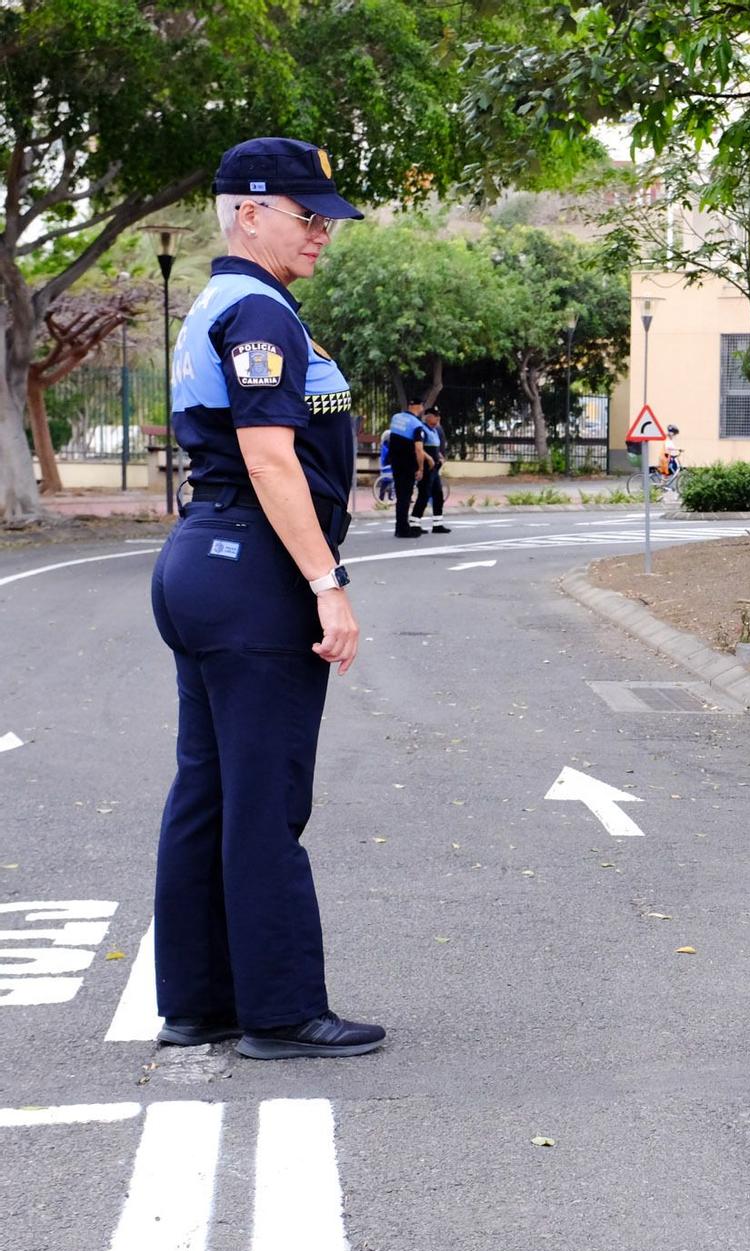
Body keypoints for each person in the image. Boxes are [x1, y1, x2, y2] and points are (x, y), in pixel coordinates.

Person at [151, 137, 385, 1059]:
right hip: (252, 573)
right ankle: (281, 1012)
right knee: (265, 798)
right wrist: (327, 585)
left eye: (326, 215)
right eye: (306, 213)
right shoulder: (257, 311)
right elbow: (268, 455)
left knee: (209, 790)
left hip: (204, 561)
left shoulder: (224, 301)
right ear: (249, 211)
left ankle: (200, 1003)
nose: (323, 230)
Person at [379, 396, 429, 539]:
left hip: (396, 463)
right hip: (408, 465)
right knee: (405, 497)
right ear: (418, 406)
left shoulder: (396, 418)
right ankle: (402, 529)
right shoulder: (416, 425)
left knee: (401, 496)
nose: (422, 409)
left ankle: (399, 527)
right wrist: (421, 468)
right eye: (422, 406)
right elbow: (419, 450)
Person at [409, 407, 450, 534]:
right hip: (426, 468)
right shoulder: (422, 430)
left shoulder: (435, 430)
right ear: (427, 416)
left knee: (438, 494)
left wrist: (440, 458)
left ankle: (437, 524)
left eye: (438, 416)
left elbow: (436, 449)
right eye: (434, 416)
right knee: (424, 494)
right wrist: (427, 462)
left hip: (435, 468)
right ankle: (414, 523)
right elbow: (419, 449)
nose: (437, 418)